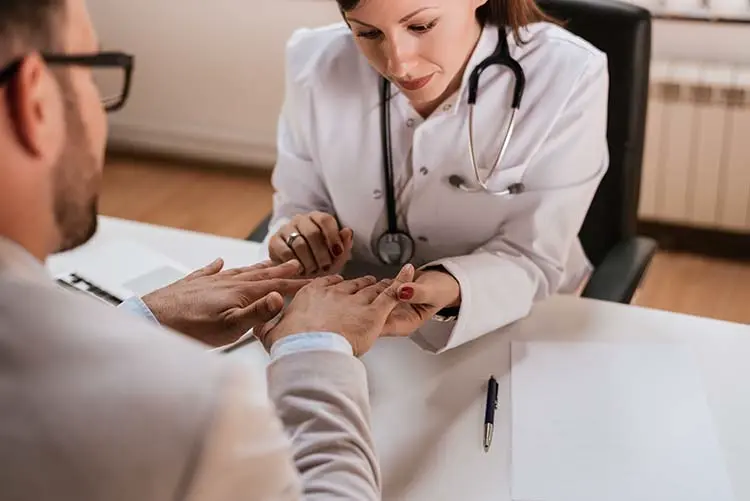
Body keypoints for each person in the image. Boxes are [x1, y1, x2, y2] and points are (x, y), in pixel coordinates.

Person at [0, 0, 414, 499]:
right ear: (36, 100)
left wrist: (139, 321)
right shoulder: (200, 409)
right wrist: (314, 351)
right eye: (92, 70)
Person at [264, 0, 610, 354]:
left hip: (510, 323)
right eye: (368, 33)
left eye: (421, 26)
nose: (398, 64)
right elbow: (296, 204)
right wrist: (297, 236)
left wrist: (452, 287)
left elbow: (534, 255)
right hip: (345, 318)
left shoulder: (570, 73)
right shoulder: (313, 60)